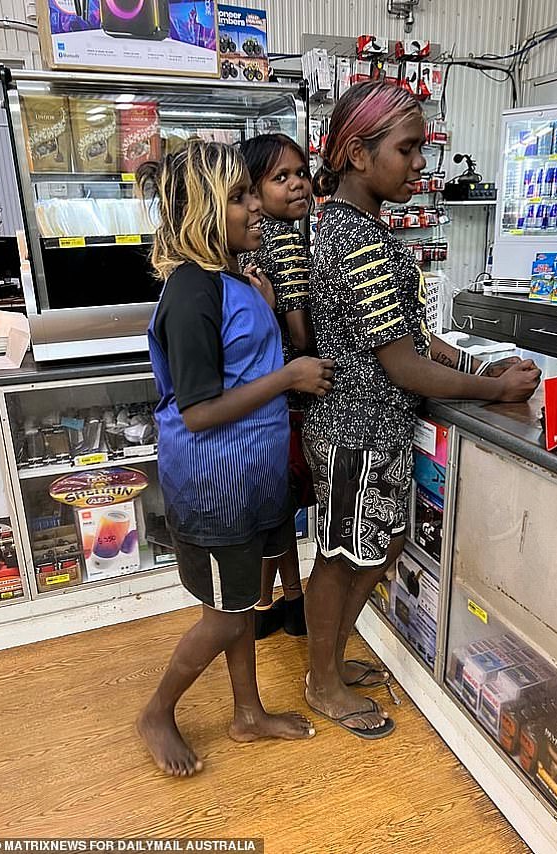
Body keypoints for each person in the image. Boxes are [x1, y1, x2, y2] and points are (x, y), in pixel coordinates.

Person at [303, 81, 541, 740]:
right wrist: (494, 390)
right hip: (357, 433)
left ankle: (329, 661)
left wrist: (472, 367)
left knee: (376, 546)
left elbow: (408, 335)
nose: (419, 164)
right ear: (356, 153)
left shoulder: (354, 227)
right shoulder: (358, 240)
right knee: (343, 555)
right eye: (407, 150)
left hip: (371, 430)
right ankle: (321, 679)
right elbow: (403, 365)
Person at [135, 141, 334, 776]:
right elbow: (197, 410)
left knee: (240, 602)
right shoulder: (192, 292)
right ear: (203, 210)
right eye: (242, 197)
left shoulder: (233, 280)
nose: (257, 207)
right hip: (212, 485)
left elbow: (243, 358)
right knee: (224, 615)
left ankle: (247, 713)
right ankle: (158, 710)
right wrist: (289, 377)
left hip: (254, 475)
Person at [239, 133, 315, 640]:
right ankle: (269, 603)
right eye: (279, 178)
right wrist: (312, 354)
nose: (295, 185)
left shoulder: (267, 237)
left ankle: (286, 600)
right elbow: (297, 324)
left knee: (280, 509)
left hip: (272, 389)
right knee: (278, 506)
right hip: (289, 391)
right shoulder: (285, 239)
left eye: (300, 173)